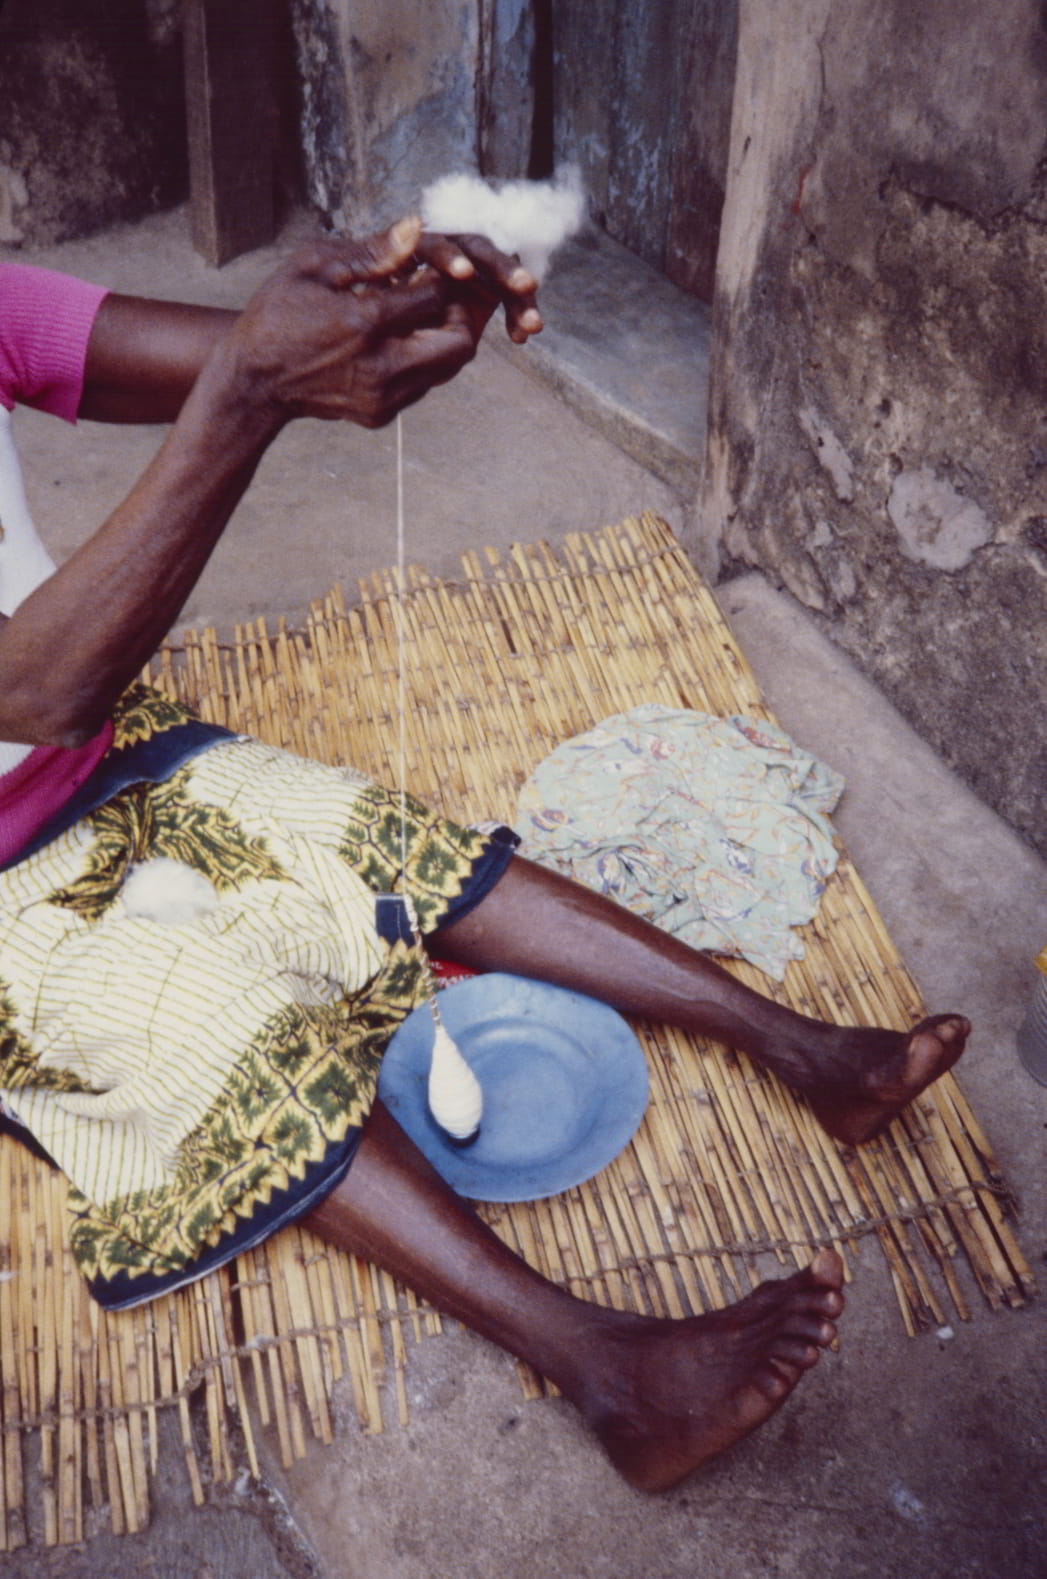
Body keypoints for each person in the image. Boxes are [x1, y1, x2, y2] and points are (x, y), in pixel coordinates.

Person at [0, 222, 969, 1492]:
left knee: (376, 845)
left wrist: (375, 322)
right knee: (213, 1021)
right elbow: (41, 689)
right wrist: (253, 389)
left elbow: (234, 359)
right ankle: (612, 1374)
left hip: (105, 763)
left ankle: (802, 1047)